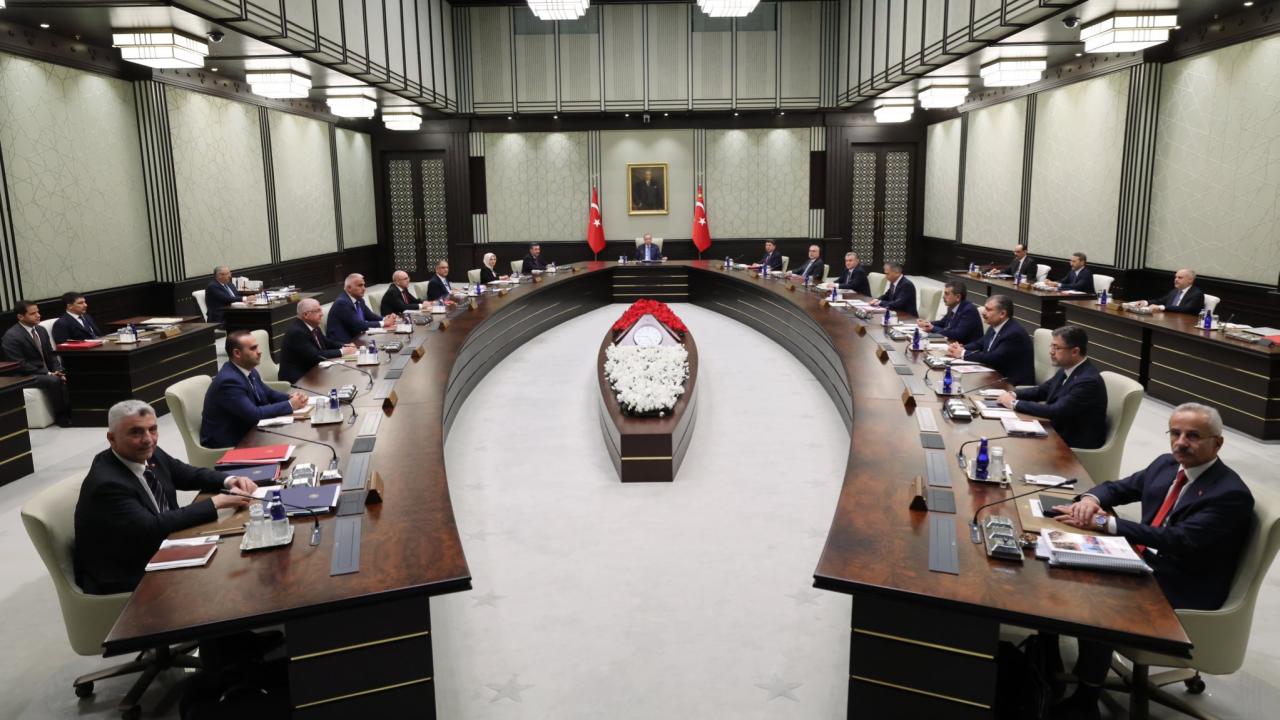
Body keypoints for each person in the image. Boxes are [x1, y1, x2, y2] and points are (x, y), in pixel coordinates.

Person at [1049, 403, 1253, 720]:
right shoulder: (1166, 465)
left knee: (1096, 597)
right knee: (1062, 563)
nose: (1181, 442)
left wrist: (1105, 523)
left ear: (1217, 443)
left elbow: (1179, 540)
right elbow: (1119, 488)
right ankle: (1054, 661)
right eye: (1175, 433)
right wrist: (1090, 500)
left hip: (1184, 585)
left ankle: (1087, 699)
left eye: (1193, 436)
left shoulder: (1229, 494)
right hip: (1147, 561)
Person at [73, 400, 256, 595]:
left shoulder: (148, 452)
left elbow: (187, 474)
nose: (148, 439)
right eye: (135, 432)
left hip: (164, 543)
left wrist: (229, 480)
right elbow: (151, 527)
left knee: (238, 556)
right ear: (112, 438)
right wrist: (215, 502)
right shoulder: (107, 484)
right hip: (128, 570)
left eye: (152, 429)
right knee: (224, 579)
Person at [995, 325, 1107, 449]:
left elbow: (1055, 411)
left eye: (1057, 348)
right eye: (1051, 346)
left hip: (1071, 444)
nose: (1051, 352)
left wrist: (1014, 403)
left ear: (1075, 351)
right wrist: (1013, 394)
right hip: (1056, 431)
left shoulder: (1088, 381)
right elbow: (1043, 390)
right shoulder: (1068, 369)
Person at [200, 331, 308, 448]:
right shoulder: (229, 382)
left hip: (248, 430)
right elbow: (254, 414)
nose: (259, 351)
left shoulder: (248, 370)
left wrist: (291, 398)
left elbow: (268, 393)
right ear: (237, 353)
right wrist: (290, 405)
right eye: (253, 348)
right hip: (230, 443)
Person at [2, 300, 70, 425]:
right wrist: (49, 373)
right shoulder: (11, 337)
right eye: (33, 313)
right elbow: (20, 365)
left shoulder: (41, 330)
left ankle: (75, 410)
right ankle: (61, 416)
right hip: (25, 375)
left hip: (45, 371)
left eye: (38, 312)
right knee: (54, 380)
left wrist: (57, 370)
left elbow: (51, 354)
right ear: (20, 317)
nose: (38, 315)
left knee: (68, 373)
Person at [946, 294, 1035, 386]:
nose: (983, 313)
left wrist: (963, 353)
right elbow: (979, 344)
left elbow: (993, 358)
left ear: (1002, 314)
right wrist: (960, 348)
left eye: (988, 310)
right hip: (995, 376)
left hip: (1012, 384)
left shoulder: (1013, 334)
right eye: (985, 308)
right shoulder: (995, 326)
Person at [278, 299, 355, 384]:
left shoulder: (313, 326)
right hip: (298, 378)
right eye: (318, 311)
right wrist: (342, 351)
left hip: (313, 371)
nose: (322, 314)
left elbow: (327, 342)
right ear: (306, 315)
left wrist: (345, 346)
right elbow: (316, 355)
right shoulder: (297, 332)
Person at [326, 273, 397, 345]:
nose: (364, 289)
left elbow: (371, 316)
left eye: (364, 285)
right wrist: (384, 323)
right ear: (349, 288)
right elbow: (359, 325)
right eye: (360, 285)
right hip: (344, 343)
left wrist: (385, 318)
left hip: (358, 337)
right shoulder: (342, 303)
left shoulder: (359, 300)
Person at [1134, 268, 1205, 315]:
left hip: (1185, 325)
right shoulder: (1174, 291)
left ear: (1190, 280)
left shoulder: (1197, 294)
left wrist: (1161, 307)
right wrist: (1145, 302)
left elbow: (1186, 309)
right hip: (1169, 320)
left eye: (1180, 277)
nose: (1176, 279)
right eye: (1175, 277)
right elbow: (1160, 301)